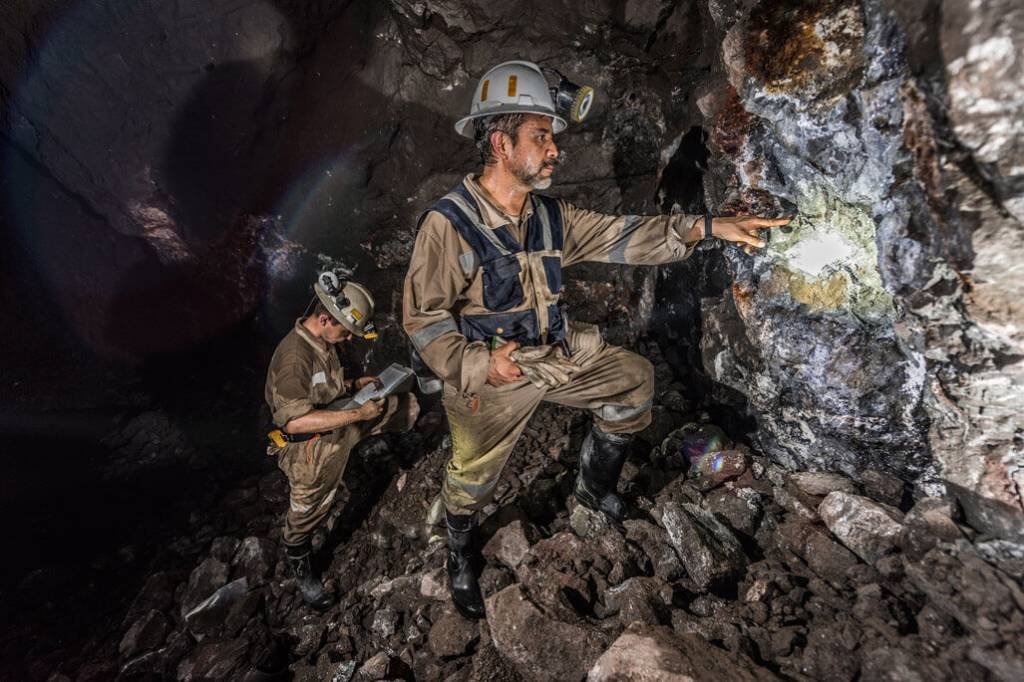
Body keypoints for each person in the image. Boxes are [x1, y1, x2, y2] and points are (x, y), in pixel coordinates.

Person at [402, 61, 790, 619]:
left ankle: (592, 488)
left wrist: (708, 227)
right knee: (471, 475)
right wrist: (478, 363)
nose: (555, 150)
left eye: (552, 138)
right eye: (541, 138)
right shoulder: (449, 225)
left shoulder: (550, 217)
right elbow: (424, 320)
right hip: (492, 377)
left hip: (554, 354)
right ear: (500, 143)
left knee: (633, 381)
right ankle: (460, 552)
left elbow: (624, 236)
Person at [265, 274, 419, 609]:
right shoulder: (294, 359)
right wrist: (357, 415)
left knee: (401, 405)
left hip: (336, 418)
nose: (349, 338)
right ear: (324, 319)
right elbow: (295, 419)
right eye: (346, 330)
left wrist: (352, 386)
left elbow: (322, 389)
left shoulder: (321, 342)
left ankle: (412, 459)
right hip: (309, 448)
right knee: (305, 512)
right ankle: (303, 572)